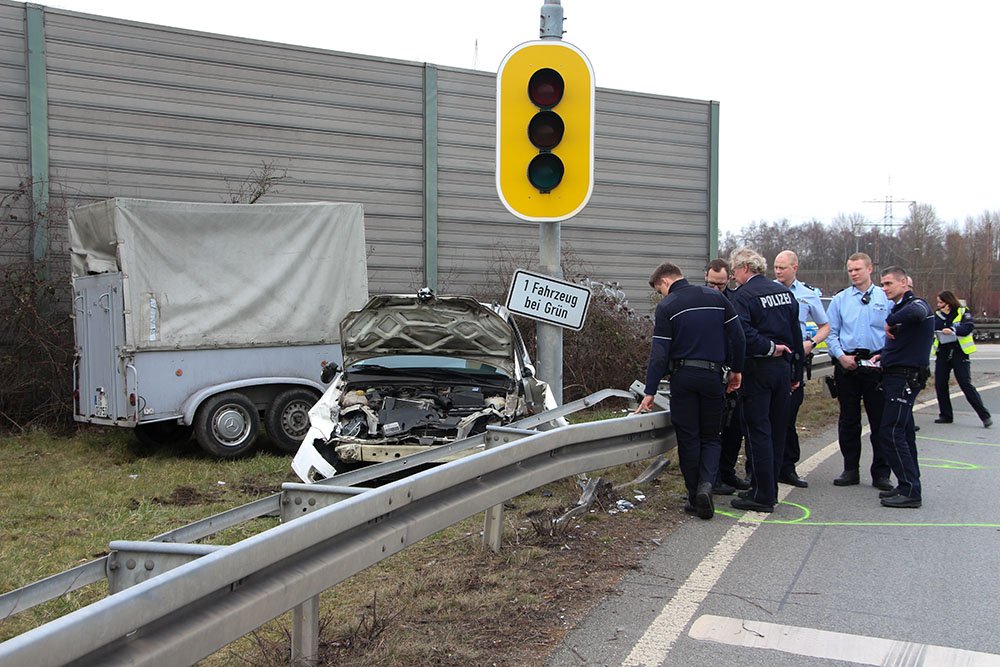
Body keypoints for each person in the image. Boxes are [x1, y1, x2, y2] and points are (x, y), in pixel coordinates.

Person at [636, 262, 745, 520]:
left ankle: (694, 495)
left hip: (683, 378)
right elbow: (738, 337)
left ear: (664, 282)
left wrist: (650, 390)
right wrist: (736, 370)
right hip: (712, 377)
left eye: (659, 290)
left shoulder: (668, 306)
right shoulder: (716, 297)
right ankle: (707, 485)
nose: (662, 295)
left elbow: (660, 353)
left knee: (688, 437)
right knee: (711, 436)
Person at [728, 247, 803, 513]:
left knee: (758, 431)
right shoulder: (784, 293)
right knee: (777, 430)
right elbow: (796, 332)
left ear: (745, 268)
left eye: (735, 271)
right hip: (783, 370)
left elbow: (742, 334)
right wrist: (796, 371)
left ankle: (762, 495)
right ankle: (768, 488)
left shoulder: (744, 296)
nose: (733, 277)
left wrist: (769, 347)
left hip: (759, 369)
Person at [825, 252, 893, 491]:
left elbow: (894, 332)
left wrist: (885, 355)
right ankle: (850, 468)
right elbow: (830, 333)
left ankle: (881, 473)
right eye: (850, 270)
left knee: (880, 422)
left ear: (870, 269)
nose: (853, 274)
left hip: (876, 366)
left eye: (857, 269)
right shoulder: (841, 300)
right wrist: (841, 356)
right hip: (848, 365)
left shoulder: (885, 299)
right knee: (849, 420)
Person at [876, 266, 934, 508]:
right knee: (905, 433)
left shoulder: (916, 305)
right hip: (895, 374)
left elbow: (919, 312)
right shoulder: (900, 307)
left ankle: (911, 490)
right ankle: (907, 483)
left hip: (905, 378)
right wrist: (884, 355)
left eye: (889, 284)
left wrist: (890, 321)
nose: (884, 288)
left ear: (904, 283)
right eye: (883, 284)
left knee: (891, 432)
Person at [773, 249, 829, 488]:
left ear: (794, 268)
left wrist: (812, 343)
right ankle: (766, 468)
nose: (777, 272)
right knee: (768, 418)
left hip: (795, 360)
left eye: (782, 267)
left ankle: (787, 467)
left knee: (789, 417)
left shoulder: (808, 295)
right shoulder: (769, 291)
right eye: (775, 267)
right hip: (773, 359)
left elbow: (824, 326)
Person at [705, 259, 750, 494]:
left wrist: (736, 368)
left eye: (720, 285)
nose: (716, 289)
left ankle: (727, 471)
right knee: (714, 429)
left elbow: (739, 336)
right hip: (711, 371)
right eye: (712, 283)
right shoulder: (699, 300)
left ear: (728, 281)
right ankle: (714, 477)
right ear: (705, 277)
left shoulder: (735, 300)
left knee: (735, 427)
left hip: (733, 371)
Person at [932, 290, 992, 427]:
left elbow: (968, 327)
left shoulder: (963, 311)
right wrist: (944, 317)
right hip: (943, 352)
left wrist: (953, 330)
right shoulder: (938, 315)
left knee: (965, 384)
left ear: (949, 302)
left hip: (959, 352)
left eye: (941, 302)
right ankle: (946, 414)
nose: (939, 305)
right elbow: (935, 328)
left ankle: (984, 415)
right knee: (940, 384)